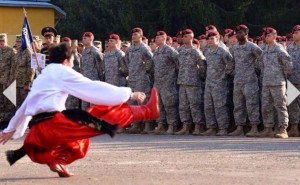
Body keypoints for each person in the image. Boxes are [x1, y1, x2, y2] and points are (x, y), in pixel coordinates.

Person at [0, 42, 159, 177]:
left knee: (79, 142)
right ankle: (147, 111)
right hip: (54, 127)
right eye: (71, 60)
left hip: (36, 135)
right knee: (102, 112)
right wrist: (130, 93)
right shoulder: (62, 71)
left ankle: (58, 161)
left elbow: (26, 105)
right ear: (66, 60)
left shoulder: (42, 76)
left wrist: (11, 128)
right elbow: (92, 88)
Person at [228, 25, 262, 137]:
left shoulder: (252, 46)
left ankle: (254, 127)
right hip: (238, 80)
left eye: (241, 33)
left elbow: (261, 58)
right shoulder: (234, 48)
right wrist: (229, 73)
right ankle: (240, 127)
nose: (238, 35)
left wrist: (256, 69)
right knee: (238, 105)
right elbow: (231, 62)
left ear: (246, 34)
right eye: (237, 33)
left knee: (252, 104)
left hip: (250, 80)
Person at [259, 27, 292, 138]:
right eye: (265, 35)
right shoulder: (265, 50)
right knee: (266, 106)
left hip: (278, 83)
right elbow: (261, 65)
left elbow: (288, 66)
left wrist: (281, 77)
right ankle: (268, 128)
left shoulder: (279, 50)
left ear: (274, 36)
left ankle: (283, 129)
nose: (266, 37)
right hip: (266, 82)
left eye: (268, 36)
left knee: (280, 106)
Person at [201, 31, 234, 136]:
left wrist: (224, 75)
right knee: (208, 106)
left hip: (219, 83)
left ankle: (223, 127)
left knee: (220, 106)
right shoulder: (206, 50)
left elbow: (231, 63)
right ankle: (211, 127)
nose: (210, 41)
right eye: (208, 39)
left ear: (218, 38)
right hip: (209, 81)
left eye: (212, 38)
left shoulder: (222, 50)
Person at [175, 29, 206, 135]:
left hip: (193, 82)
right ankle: (186, 126)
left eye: (186, 36)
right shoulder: (180, 50)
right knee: (183, 106)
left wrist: (199, 76)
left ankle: (198, 126)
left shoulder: (195, 51)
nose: (183, 38)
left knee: (194, 105)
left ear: (191, 38)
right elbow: (177, 64)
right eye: (183, 36)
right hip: (182, 81)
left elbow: (202, 65)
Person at [151, 31, 180, 135]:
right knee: (159, 105)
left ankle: (172, 125)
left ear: (164, 38)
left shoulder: (170, 51)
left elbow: (178, 63)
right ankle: (161, 124)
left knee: (169, 104)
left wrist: (173, 76)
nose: (156, 39)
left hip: (168, 82)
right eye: (156, 38)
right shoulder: (156, 51)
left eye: (158, 38)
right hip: (158, 82)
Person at [287, 25, 300, 137]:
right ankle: (294, 128)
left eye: (297, 32)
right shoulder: (289, 47)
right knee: (292, 105)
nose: (295, 34)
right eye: (294, 32)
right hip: (292, 80)